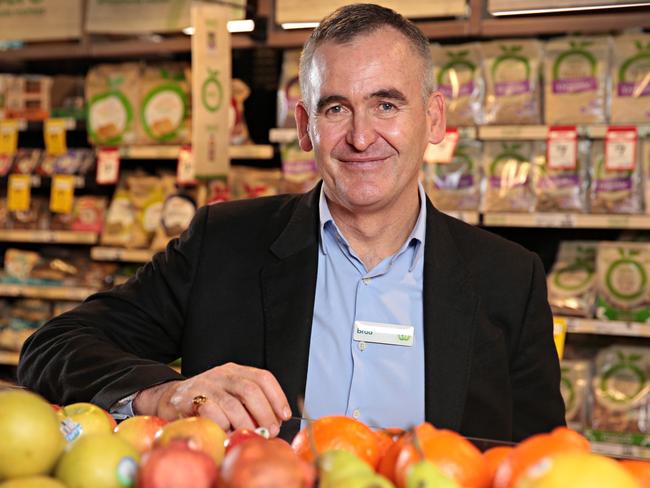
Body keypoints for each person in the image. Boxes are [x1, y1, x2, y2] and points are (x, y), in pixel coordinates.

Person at [18, 3, 564, 442]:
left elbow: (545, 463)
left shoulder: (508, 279)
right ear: (305, 126)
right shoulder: (223, 244)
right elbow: (52, 347)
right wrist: (165, 395)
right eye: (336, 109)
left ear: (435, 118)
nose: (360, 136)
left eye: (387, 105)